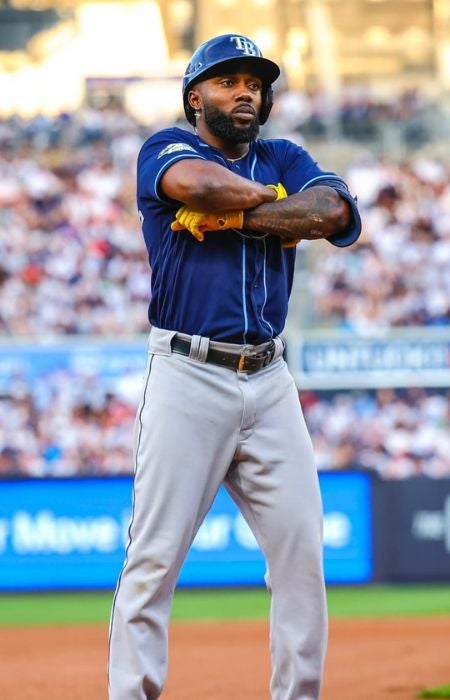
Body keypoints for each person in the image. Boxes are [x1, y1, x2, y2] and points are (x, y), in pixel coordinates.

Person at [108, 33, 361, 700]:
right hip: (188, 372)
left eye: (254, 81)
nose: (244, 90)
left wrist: (234, 216)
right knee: (153, 559)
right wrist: (282, 211)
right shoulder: (166, 147)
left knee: (302, 555)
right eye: (227, 81)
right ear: (196, 97)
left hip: (271, 380)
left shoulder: (285, 155)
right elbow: (195, 184)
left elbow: (332, 211)